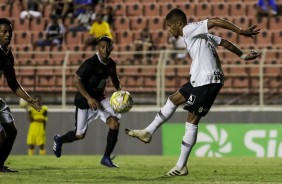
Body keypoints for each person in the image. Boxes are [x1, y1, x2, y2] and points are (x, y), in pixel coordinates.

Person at [125, 8, 260, 176]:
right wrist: (243, 56)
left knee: (192, 120)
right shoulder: (199, 35)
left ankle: (181, 166)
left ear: (179, 24)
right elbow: (224, 42)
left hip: (208, 80)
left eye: (169, 26)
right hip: (198, 79)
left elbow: (216, 20)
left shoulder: (189, 29)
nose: (168, 29)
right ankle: (148, 132)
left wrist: (241, 31)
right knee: (173, 99)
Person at [53, 36, 122, 168]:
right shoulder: (91, 63)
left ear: (112, 48)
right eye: (102, 47)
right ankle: (59, 140)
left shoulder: (111, 64)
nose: (105, 50)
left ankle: (106, 157)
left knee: (114, 124)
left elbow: (114, 76)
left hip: (100, 99)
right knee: (79, 135)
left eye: (108, 47)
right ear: (98, 48)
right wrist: (88, 98)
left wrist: (119, 89)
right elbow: (76, 79)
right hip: (84, 102)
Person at [0, 18, 41, 172]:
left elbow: (13, 83)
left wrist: (29, 99)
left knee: (11, 131)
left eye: (10, 31)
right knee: (1, 135)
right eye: (4, 31)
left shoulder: (7, 56)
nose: (8, 34)